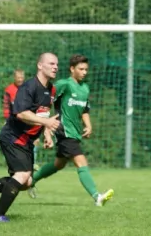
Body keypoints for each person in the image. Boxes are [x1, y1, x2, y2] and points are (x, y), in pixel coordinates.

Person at [0, 52, 61, 223]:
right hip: (13, 136)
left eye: (57, 64)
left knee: (26, 182)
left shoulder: (51, 89)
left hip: (26, 141)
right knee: (22, 175)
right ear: (40, 65)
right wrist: (46, 123)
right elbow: (22, 114)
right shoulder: (29, 87)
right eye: (51, 64)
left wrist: (46, 133)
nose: (55, 67)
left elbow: (43, 113)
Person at [29, 54, 114, 206]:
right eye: (81, 69)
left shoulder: (85, 88)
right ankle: (97, 197)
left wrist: (88, 125)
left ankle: (30, 180)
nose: (84, 72)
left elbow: (85, 109)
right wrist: (47, 128)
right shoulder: (64, 84)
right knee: (81, 162)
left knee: (58, 164)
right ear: (72, 69)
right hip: (64, 131)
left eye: (86, 69)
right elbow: (45, 103)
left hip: (75, 132)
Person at [3, 69, 40, 172]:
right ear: (14, 78)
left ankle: (32, 163)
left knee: (33, 141)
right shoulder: (9, 90)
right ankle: (14, 163)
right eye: (18, 77)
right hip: (14, 122)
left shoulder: (29, 88)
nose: (20, 79)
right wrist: (6, 119)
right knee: (13, 142)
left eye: (21, 77)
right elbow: (6, 106)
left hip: (27, 120)